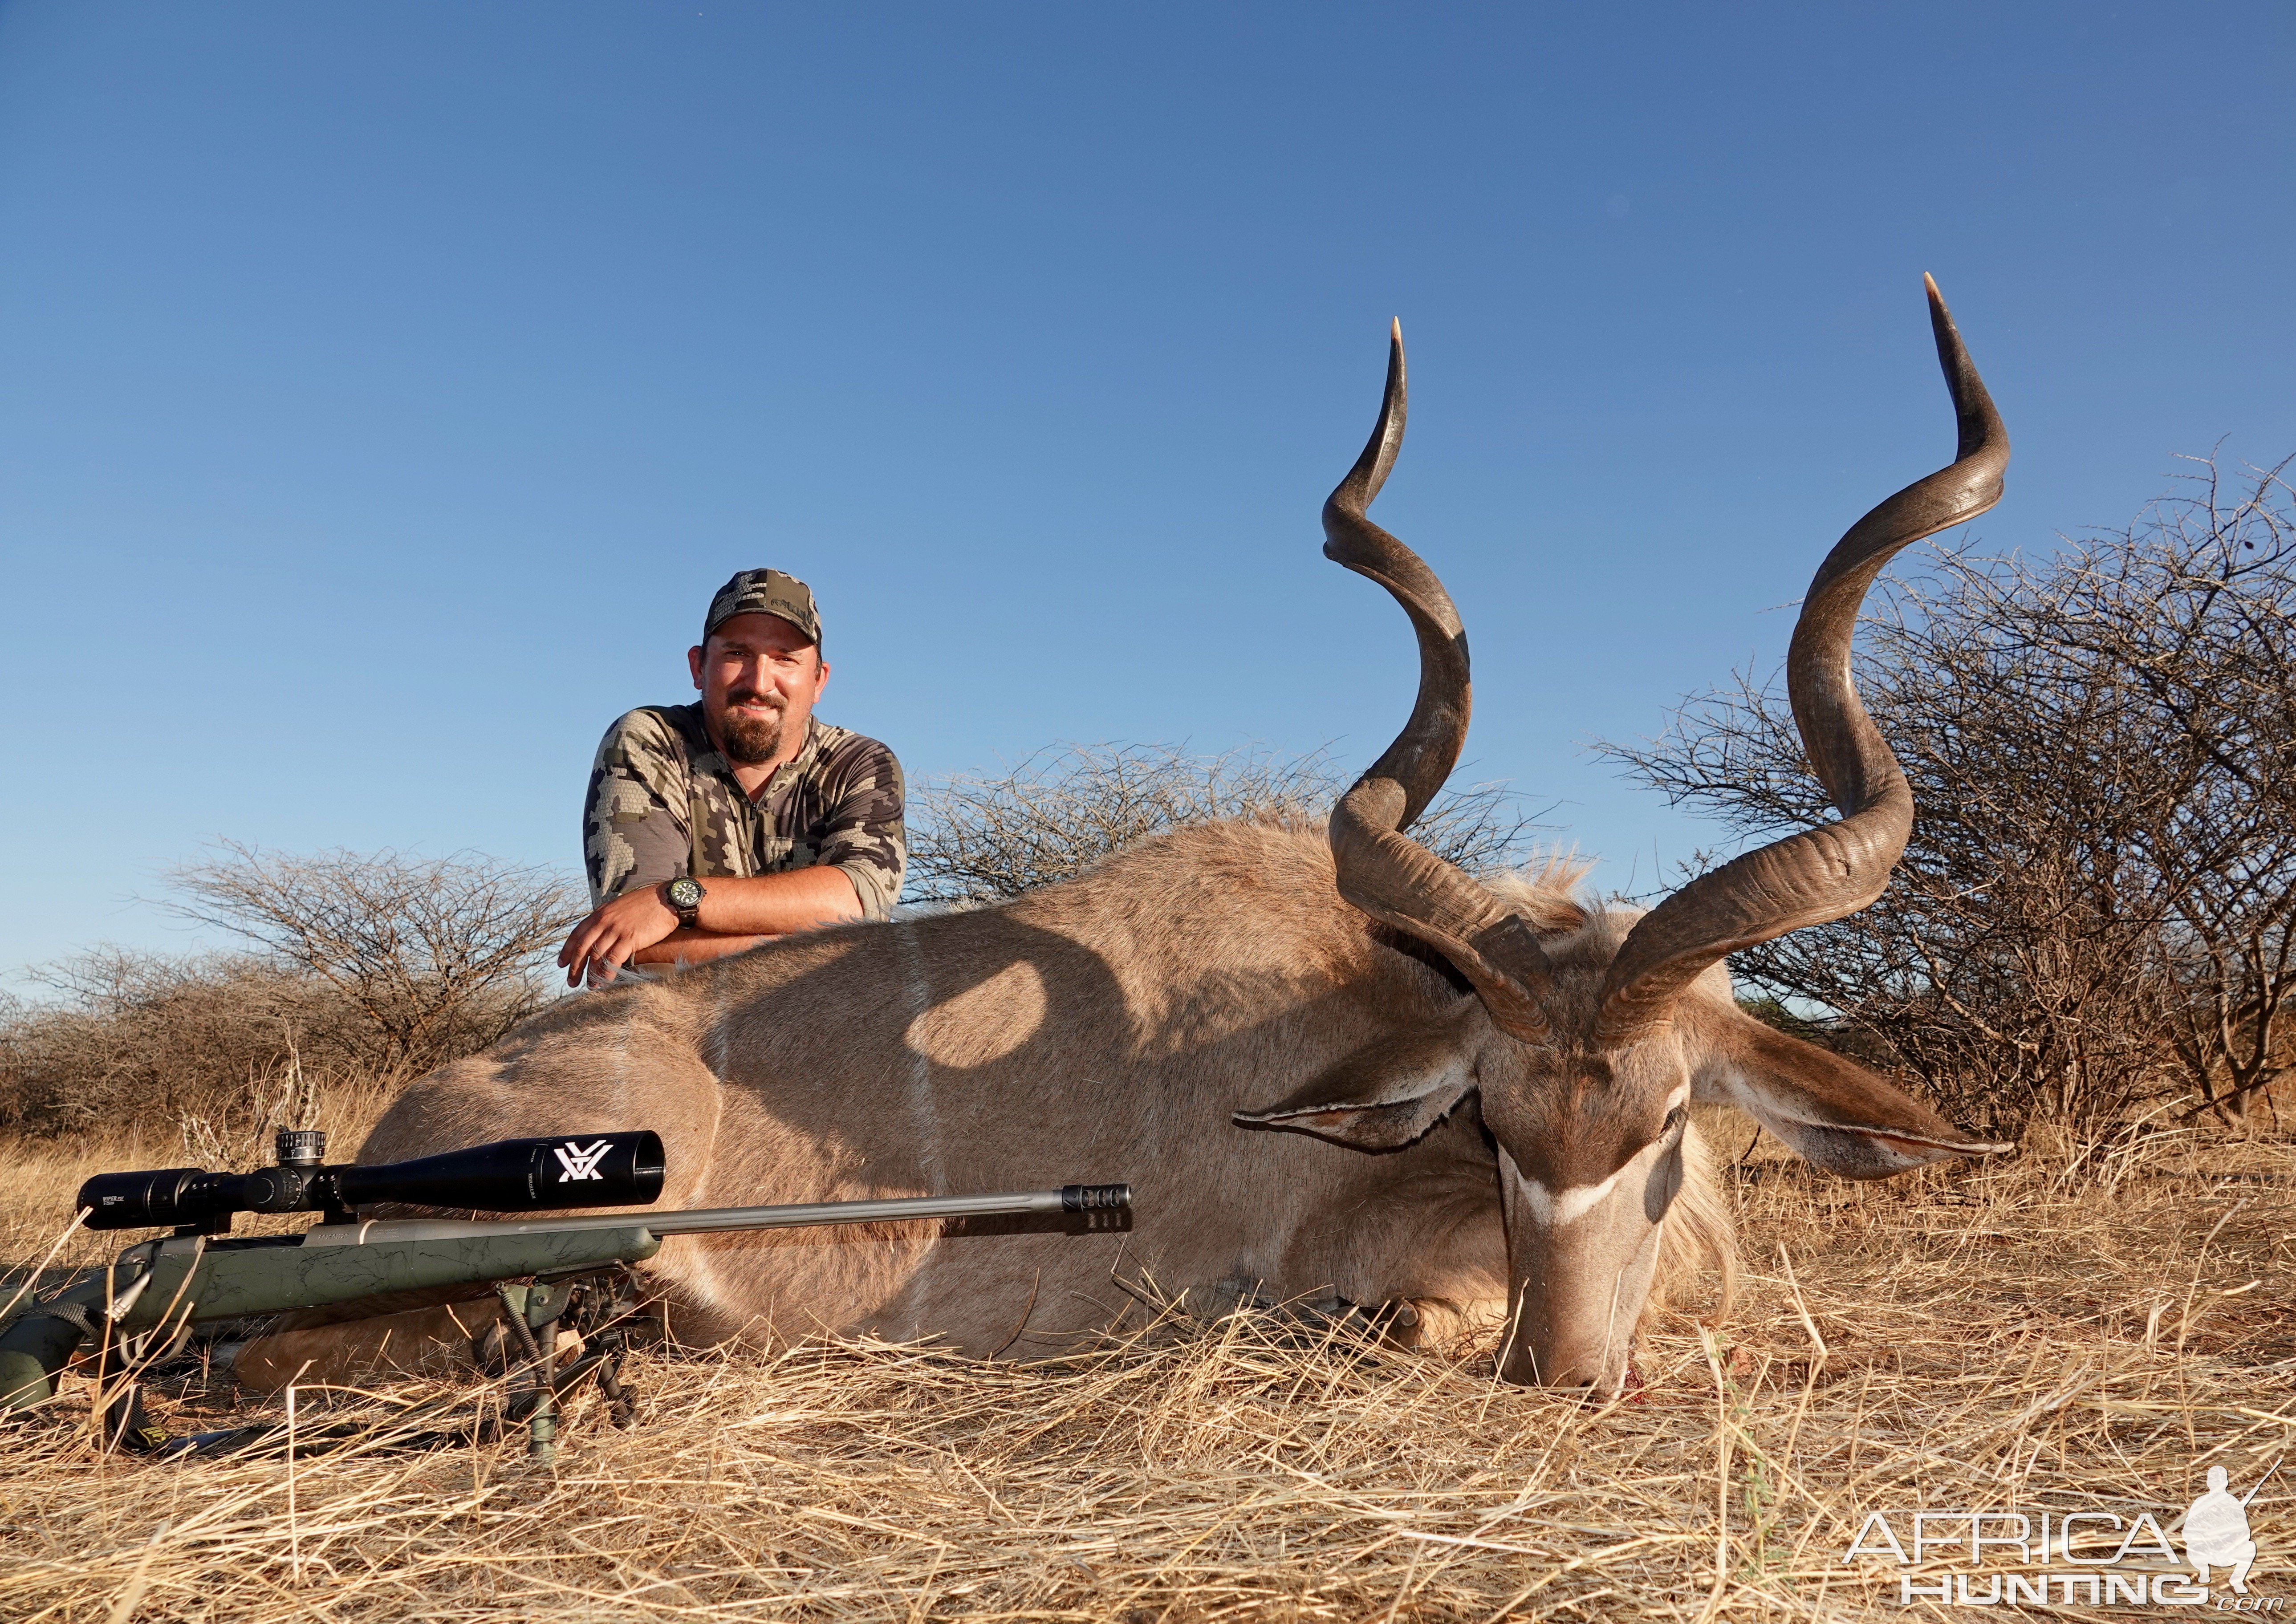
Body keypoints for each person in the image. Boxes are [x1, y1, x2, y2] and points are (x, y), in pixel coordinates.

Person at [558, 567, 906, 986]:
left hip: (822, 1022)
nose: (759, 682)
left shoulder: (861, 762)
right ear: (698, 667)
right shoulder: (649, 739)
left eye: (785, 658)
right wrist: (819, 950)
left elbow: (858, 897)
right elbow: (629, 939)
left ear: (818, 681)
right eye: (737, 653)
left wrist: (677, 900)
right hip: (674, 1017)